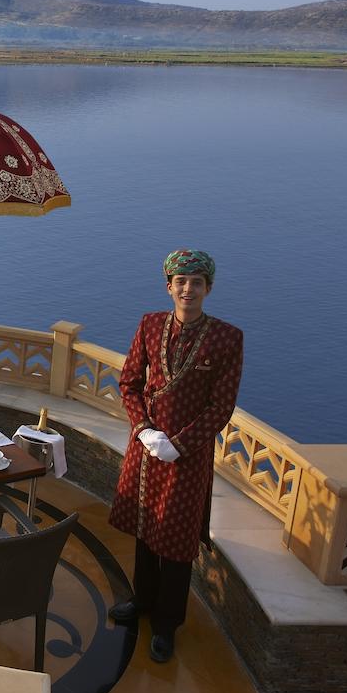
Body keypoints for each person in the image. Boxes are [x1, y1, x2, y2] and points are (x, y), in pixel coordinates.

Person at [107, 249, 244, 663]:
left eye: (197, 282)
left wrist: (178, 444)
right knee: (147, 528)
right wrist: (143, 429)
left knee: (177, 542)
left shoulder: (226, 339)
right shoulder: (150, 325)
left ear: (209, 289)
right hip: (146, 448)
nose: (188, 289)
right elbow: (129, 382)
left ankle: (167, 624)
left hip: (189, 456)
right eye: (181, 281)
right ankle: (143, 601)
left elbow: (221, 407)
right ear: (169, 286)